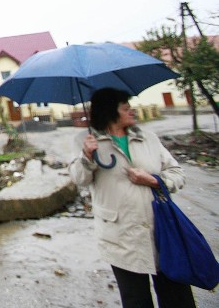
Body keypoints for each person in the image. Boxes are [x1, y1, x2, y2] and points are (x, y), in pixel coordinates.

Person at [69, 88, 194, 308]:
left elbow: (177, 173)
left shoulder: (148, 138)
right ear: (110, 112)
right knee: (136, 300)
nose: (132, 111)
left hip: (161, 231)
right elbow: (79, 179)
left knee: (177, 295)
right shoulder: (86, 141)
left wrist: (154, 180)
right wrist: (87, 156)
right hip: (120, 236)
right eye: (126, 108)